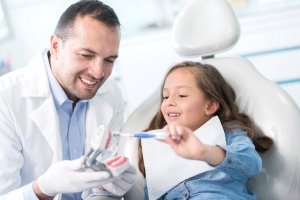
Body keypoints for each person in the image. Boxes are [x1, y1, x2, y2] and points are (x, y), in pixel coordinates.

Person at [0, 0, 136, 200]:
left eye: (109, 60)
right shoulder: (5, 99)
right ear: (56, 46)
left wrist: (107, 189)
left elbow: (99, 185)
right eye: (86, 55)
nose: (98, 72)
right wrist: (43, 188)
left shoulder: (110, 93)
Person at [138, 61, 273, 199]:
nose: (169, 102)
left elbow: (252, 164)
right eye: (166, 96)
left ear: (210, 106)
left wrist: (205, 152)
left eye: (182, 95)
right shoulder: (158, 146)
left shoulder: (228, 132)